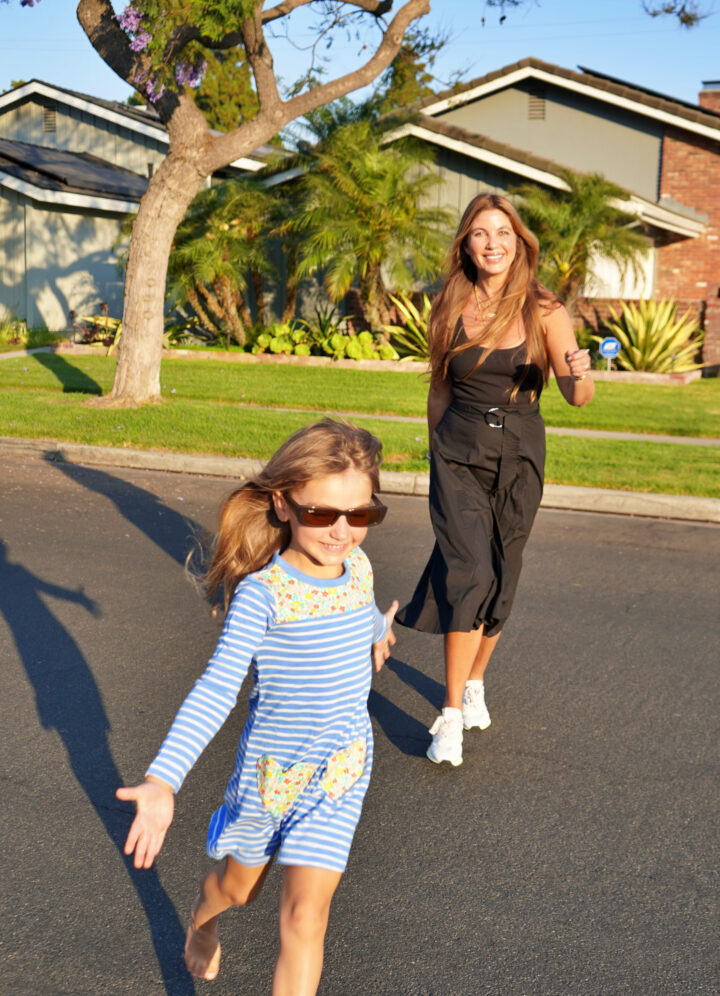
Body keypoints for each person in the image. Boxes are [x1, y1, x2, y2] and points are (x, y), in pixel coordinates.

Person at [117, 419, 398, 994]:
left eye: (361, 514)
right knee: (236, 889)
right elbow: (217, 688)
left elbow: (357, 607)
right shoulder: (263, 595)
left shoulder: (361, 568)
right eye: (321, 514)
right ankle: (202, 917)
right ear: (283, 504)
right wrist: (162, 781)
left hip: (340, 771)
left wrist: (376, 631)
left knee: (305, 918)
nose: (342, 532)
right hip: (270, 777)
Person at [395, 192, 594, 767]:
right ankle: (450, 714)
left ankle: (476, 680)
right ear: (466, 243)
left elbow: (576, 398)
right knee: (470, 571)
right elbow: (439, 389)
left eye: (503, 233)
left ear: (519, 242)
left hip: (519, 456)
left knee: (503, 576)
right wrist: (435, 453)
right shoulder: (449, 305)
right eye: (481, 233)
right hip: (457, 452)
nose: (492, 244)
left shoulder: (546, 311)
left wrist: (581, 375)